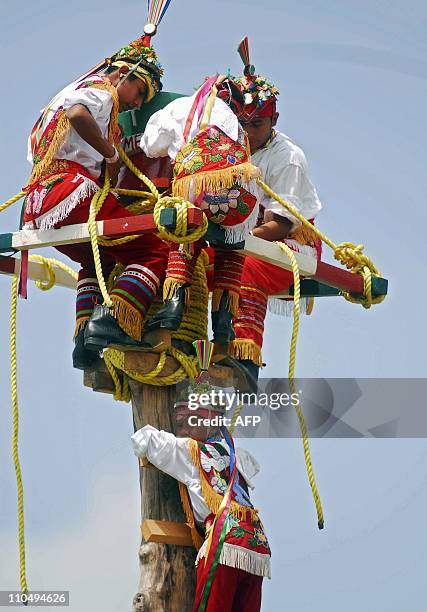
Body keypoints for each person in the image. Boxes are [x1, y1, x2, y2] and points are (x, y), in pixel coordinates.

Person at [22, 32, 170, 368]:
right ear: (123, 75)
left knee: (98, 259)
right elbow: (77, 115)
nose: (137, 103)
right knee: (157, 248)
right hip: (71, 194)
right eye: (140, 91)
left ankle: (84, 343)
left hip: (39, 205)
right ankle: (113, 322)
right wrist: (111, 153)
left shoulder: (72, 93)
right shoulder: (102, 92)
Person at [139, 75, 260, 352]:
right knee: (232, 247)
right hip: (241, 198)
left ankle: (172, 309)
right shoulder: (236, 126)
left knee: (186, 236)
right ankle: (224, 326)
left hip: (199, 188)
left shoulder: (179, 107)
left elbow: (150, 145)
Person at [230, 38, 323, 383]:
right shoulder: (226, 149)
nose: (248, 132)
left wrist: (230, 242)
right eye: (242, 123)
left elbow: (279, 227)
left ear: (274, 119)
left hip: (291, 246)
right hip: (238, 239)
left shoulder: (288, 157)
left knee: (247, 264)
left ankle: (245, 358)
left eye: (256, 124)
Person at [131, 394, 271, 612]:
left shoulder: (191, 450)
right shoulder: (235, 454)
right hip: (257, 546)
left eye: (185, 423)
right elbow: (254, 465)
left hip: (225, 540)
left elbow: (143, 441)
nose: (182, 431)